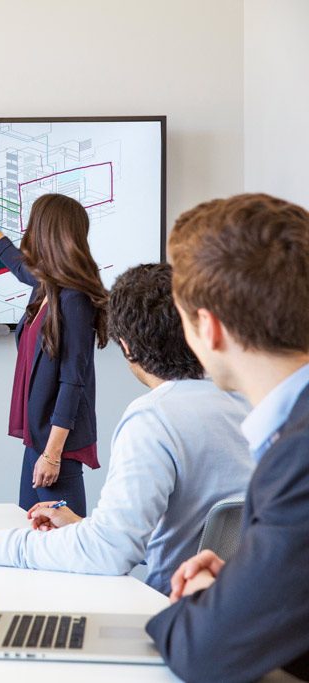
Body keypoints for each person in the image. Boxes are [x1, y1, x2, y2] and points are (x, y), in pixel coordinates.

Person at [0, 263, 253, 594]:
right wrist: (86, 527)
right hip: (239, 610)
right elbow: (196, 537)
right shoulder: (246, 405)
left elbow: (110, 554)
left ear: (126, 346)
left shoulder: (154, 419)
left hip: (172, 615)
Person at [142, 194, 309, 682]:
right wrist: (244, 587)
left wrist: (204, 605)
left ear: (208, 329)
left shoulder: (298, 454)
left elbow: (203, 654)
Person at [0, 191, 107, 514]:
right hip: (38, 438)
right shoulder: (48, 285)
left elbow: (73, 382)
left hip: (55, 447)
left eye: (32, 225)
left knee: (61, 545)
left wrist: (53, 454)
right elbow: (15, 262)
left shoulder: (74, 299)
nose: (28, 232)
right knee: (30, 529)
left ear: (47, 232)